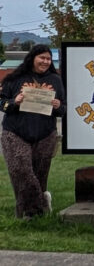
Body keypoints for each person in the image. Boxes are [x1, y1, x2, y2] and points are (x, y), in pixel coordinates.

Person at [0, 44, 66, 220]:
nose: (45, 61)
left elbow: (63, 109)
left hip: (45, 133)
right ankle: (41, 203)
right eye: (42, 58)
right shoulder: (15, 78)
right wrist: (15, 101)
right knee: (22, 170)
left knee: (39, 174)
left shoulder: (55, 80)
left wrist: (59, 106)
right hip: (15, 132)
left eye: (48, 59)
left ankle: (28, 214)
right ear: (32, 58)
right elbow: (3, 104)